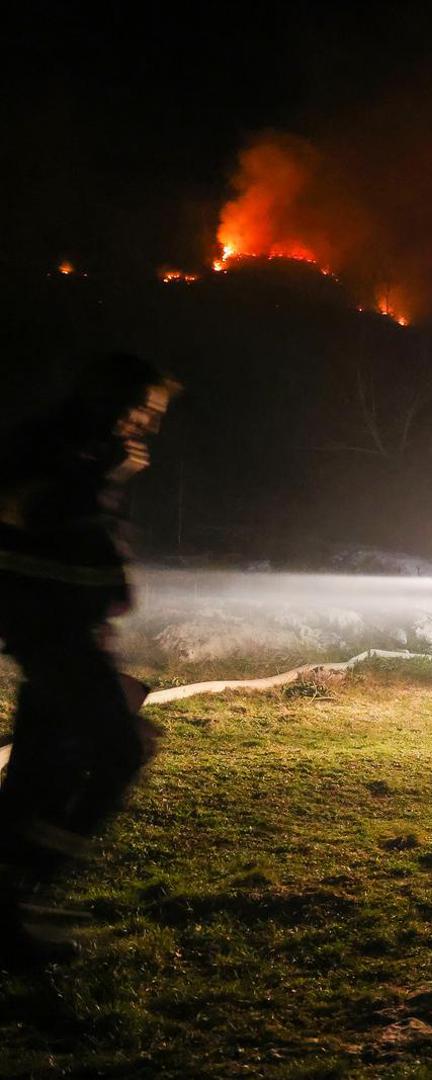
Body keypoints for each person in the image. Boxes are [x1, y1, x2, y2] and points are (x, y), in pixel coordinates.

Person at [0, 353, 177, 965]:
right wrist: (106, 472)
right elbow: (34, 514)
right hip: (51, 633)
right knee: (119, 749)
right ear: (113, 399)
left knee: (38, 771)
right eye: (145, 409)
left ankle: (11, 910)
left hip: (68, 631)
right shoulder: (56, 449)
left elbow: (83, 540)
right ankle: (22, 892)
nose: (151, 425)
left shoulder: (86, 454)